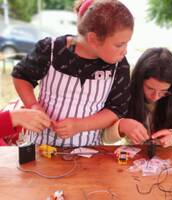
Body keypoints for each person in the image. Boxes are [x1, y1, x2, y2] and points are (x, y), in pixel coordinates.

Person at [11, 0, 134, 147]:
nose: (125, 50)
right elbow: (21, 76)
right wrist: (33, 106)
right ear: (93, 39)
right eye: (119, 45)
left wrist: (80, 125)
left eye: (127, 43)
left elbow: (116, 110)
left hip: (87, 151)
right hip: (40, 146)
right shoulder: (50, 50)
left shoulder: (118, 66)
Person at [102, 48, 172, 147]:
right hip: (133, 156)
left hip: (163, 156)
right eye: (150, 88)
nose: (155, 97)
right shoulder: (123, 98)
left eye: (163, 91)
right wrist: (121, 126)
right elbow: (104, 137)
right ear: (138, 81)